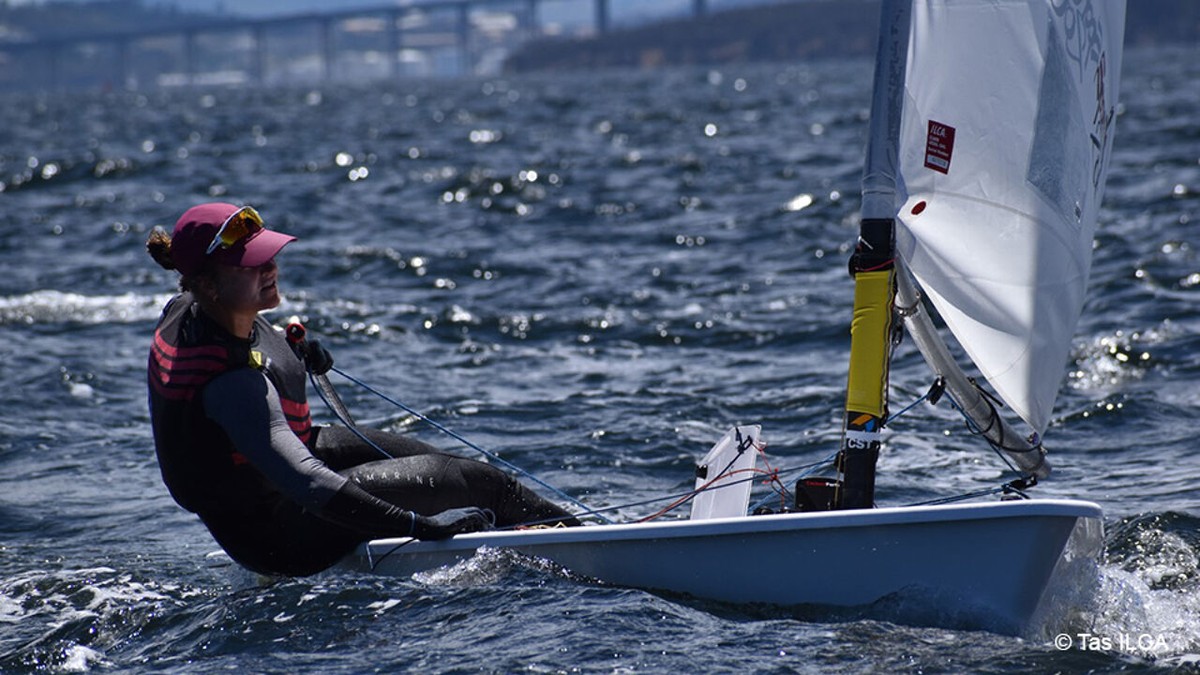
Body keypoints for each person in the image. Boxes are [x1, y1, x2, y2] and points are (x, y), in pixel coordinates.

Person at [146, 202, 579, 577]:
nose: (271, 267)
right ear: (207, 284)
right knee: (481, 485)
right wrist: (421, 526)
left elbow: (243, 333)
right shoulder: (232, 385)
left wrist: (292, 354)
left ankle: (557, 533)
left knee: (448, 468)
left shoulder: (190, 306)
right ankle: (590, 547)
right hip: (282, 534)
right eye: (252, 264)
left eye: (269, 255)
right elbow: (308, 484)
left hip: (274, 484)